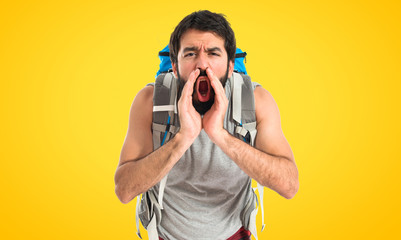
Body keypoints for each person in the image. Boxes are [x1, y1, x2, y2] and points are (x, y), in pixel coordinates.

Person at [114, 10, 299, 240]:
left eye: (213, 53)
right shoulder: (149, 102)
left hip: (233, 234)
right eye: (190, 54)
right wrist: (183, 138)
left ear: (231, 65)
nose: (202, 64)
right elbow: (124, 190)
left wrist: (220, 135)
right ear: (174, 64)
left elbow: (289, 185)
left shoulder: (256, 100)